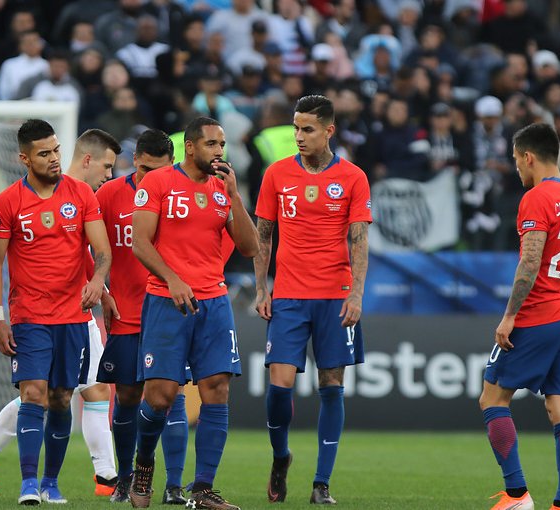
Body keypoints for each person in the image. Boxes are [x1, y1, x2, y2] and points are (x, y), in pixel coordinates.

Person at [0, 128, 122, 500]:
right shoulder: (7, 202)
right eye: (44, 153)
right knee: (33, 393)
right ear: (24, 159)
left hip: (74, 318)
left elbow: (103, 250)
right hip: (30, 318)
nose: (53, 158)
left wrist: (98, 280)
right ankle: (29, 483)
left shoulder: (80, 194)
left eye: (56, 150)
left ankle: (50, 483)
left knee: (63, 397)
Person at [129, 117, 259, 510]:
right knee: (161, 396)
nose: (220, 151)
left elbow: (250, 247)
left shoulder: (223, 189)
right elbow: (139, 242)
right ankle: (144, 464)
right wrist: (172, 278)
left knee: (217, 388)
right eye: (212, 144)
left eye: (222, 144)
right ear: (190, 147)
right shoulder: (158, 183)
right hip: (167, 301)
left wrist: (235, 196)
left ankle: (203, 489)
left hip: (213, 301)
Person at [253, 95, 372, 505]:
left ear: (328, 131)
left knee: (332, 384)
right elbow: (263, 234)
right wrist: (261, 287)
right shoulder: (276, 174)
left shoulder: (353, 177)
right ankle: (281, 455)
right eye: (296, 128)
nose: (299, 137)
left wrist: (356, 293)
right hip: (288, 294)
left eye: (307, 130)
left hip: (335, 297)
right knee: (278, 386)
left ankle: (322, 483)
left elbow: (359, 239)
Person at [479, 123, 560, 510]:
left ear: (528, 157)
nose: (516, 169)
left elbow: (530, 261)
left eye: (516, 161)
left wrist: (509, 316)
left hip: (539, 313)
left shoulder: (536, 198)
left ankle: (516, 495)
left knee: (492, 398)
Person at [94, 129, 189, 505]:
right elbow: (86, 245)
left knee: (172, 396)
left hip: (166, 309)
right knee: (129, 395)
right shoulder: (108, 195)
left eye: (161, 170)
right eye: (146, 169)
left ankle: (175, 485)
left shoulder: (180, 192)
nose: (153, 179)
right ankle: (126, 478)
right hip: (126, 311)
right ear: (135, 160)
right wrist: (101, 289)